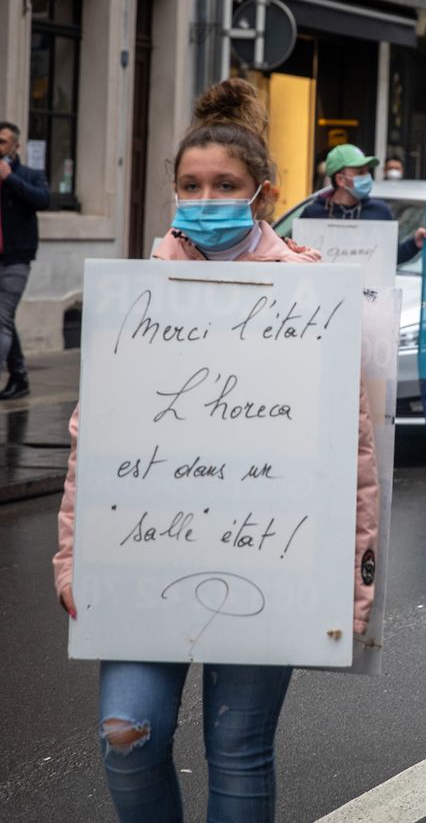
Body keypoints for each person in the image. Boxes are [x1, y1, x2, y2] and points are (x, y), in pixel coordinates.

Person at [52, 79, 380, 821]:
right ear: (172, 190)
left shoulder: (311, 293)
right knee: (126, 734)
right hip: (142, 556)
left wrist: (356, 583)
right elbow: (92, 439)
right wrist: (73, 556)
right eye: (190, 185)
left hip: (271, 561)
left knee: (237, 751)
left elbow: (352, 456)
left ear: (260, 195)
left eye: (224, 185)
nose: (205, 198)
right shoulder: (140, 290)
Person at [301, 143, 426, 264]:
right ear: (340, 180)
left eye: (367, 171)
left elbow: (391, 257)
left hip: (368, 286)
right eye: (360, 172)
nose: (367, 177)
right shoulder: (313, 213)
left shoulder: (380, 212)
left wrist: (414, 244)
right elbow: (298, 257)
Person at [0, 121, 50, 400]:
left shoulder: (29, 175)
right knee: (4, 319)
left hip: (16, 260)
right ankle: (19, 376)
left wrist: (10, 179)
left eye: (3, 142)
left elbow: (43, 199)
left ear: (16, 146)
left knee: (1, 318)